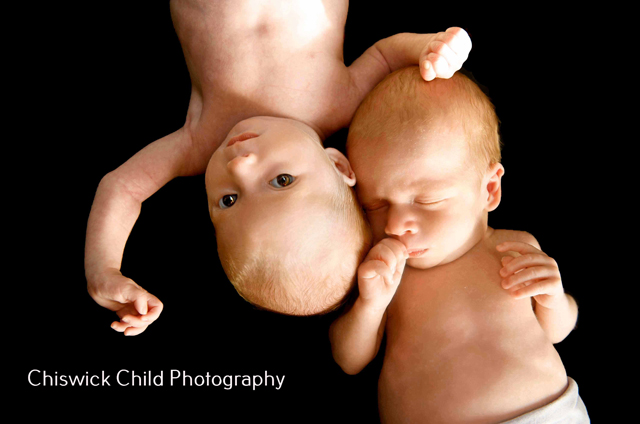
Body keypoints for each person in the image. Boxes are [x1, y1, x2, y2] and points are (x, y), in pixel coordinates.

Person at [84, 0, 472, 334]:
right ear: (338, 164)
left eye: (229, 200)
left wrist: (104, 271)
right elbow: (388, 55)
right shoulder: (339, 103)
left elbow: (122, 187)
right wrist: (431, 47)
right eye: (281, 180)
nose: (242, 166)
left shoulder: (199, 142)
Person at [330, 67, 589, 423]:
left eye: (426, 201)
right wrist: (369, 306)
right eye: (375, 205)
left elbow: (557, 331)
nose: (394, 225)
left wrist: (554, 299)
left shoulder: (514, 247)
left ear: (489, 190)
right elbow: (349, 359)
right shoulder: (388, 276)